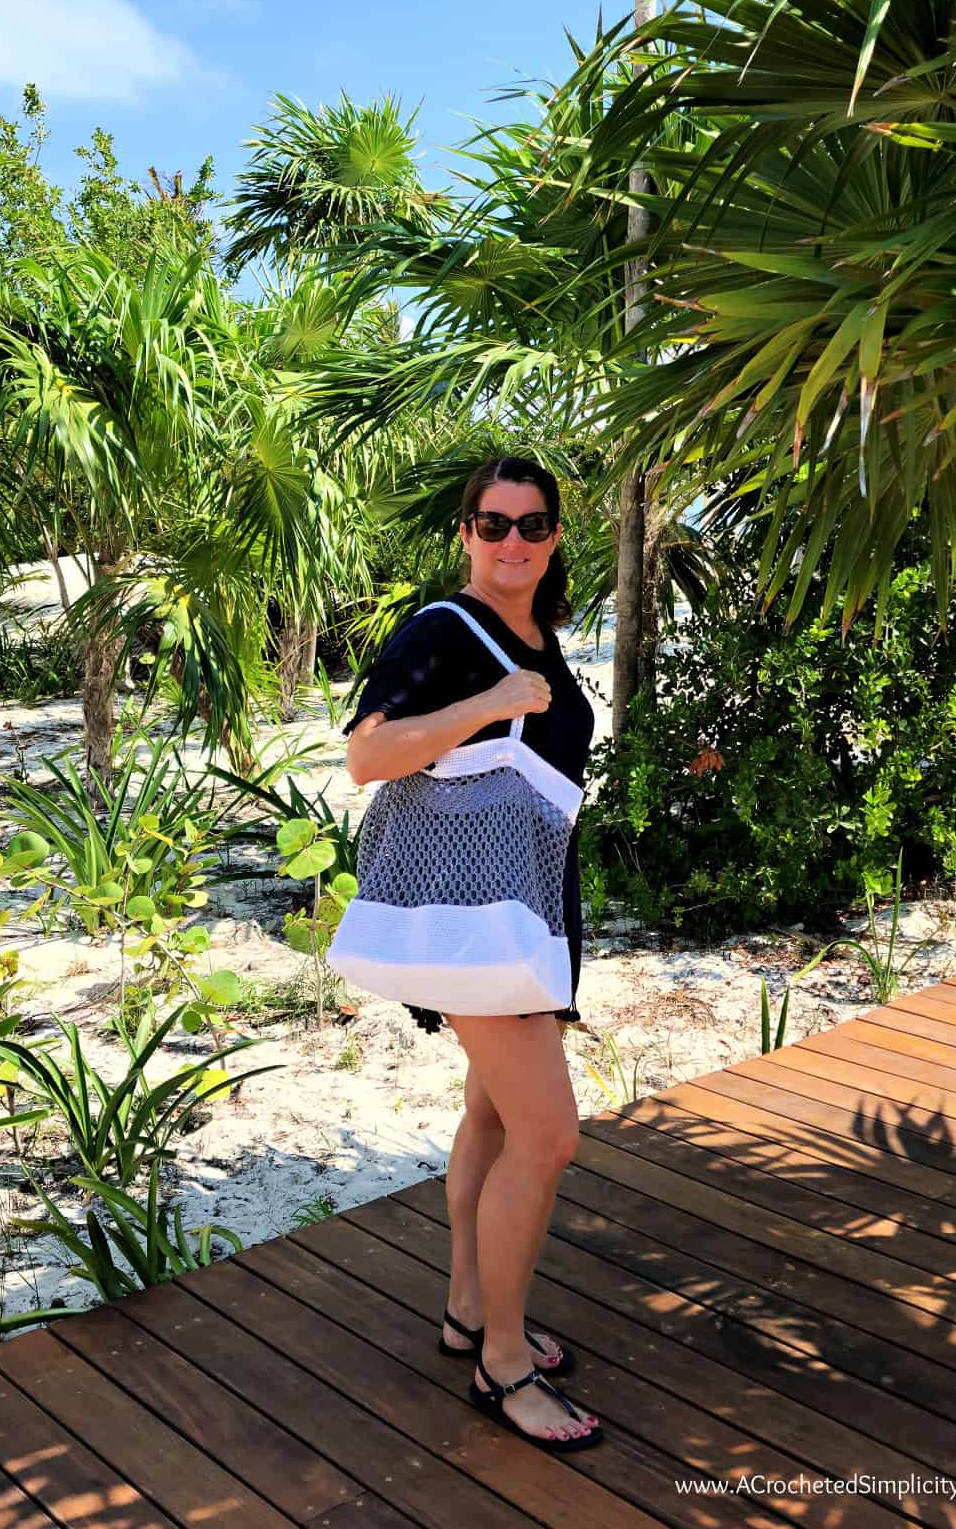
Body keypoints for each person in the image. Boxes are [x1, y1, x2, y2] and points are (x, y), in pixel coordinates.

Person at [342, 455, 603, 1452]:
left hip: (520, 908)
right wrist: (492, 703)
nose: (512, 543)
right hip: (470, 916)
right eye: (493, 525)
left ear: (554, 535)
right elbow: (368, 754)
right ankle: (500, 1362)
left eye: (532, 526)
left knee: (494, 1114)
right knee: (549, 1135)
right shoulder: (441, 630)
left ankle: (465, 1308)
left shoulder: (535, 631)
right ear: (465, 532)